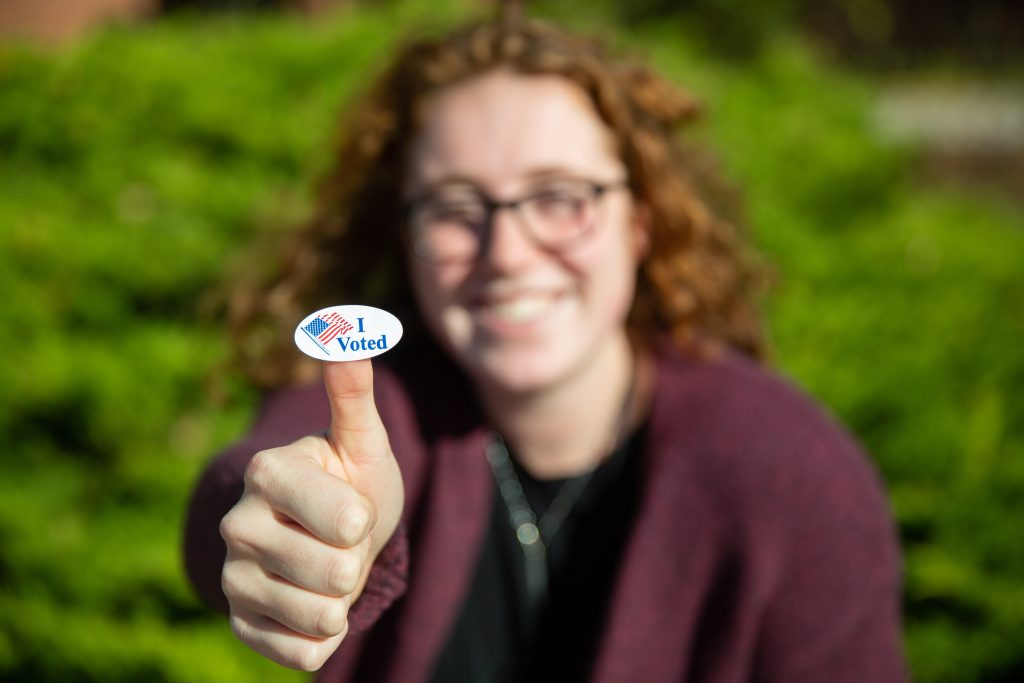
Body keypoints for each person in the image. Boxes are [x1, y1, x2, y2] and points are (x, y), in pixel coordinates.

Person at [183, 10, 908, 683]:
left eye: (560, 197)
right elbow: (262, 468)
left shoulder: (794, 472)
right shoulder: (381, 399)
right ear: (407, 241)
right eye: (456, 208)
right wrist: (289, 521)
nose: (508, 253)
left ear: (642, 224)